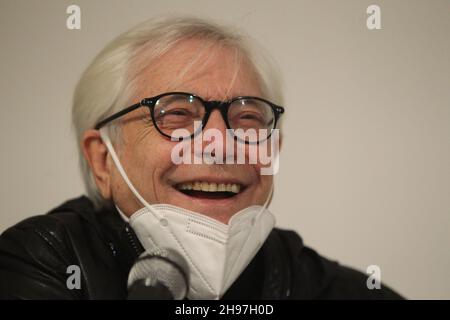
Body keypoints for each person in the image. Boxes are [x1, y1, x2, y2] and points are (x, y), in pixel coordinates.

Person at [0, 16, 402, 299]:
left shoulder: (343, 291)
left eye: (247, 117)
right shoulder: (44, 261)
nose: (220, 141)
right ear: (103, 160)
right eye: (176, 113)